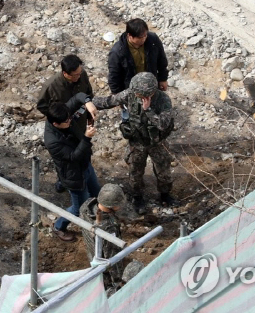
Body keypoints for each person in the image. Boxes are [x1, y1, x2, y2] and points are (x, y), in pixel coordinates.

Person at [93, 72, 176, 215]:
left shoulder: (163, 100)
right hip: (137, 142)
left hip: (157, 142)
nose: (135, 95)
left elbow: (163, 124)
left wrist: (148, 110)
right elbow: (109, 101)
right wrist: (85, 101)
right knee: (135, 173)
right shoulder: (131, 94)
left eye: (139, 94)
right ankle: (137, 198)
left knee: (164, 172)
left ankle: (165, 195)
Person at [44, 94, 100, 241]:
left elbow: (78, 97)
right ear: (56, 124)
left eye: (69, 118)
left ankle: (98, 218)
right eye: (66, 121)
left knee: (96, 194)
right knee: (78, 208)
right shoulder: (52, 141)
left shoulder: (61, 113)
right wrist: (87, 137)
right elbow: (74, 157)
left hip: (86, 166)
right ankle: (59, 226)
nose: (70, 121)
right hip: (73, 175)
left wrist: (88, 103)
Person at [37, 54, 95, 193]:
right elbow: (42, 106)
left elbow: (88, 94)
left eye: (80, 73)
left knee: (83, 146)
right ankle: (63, 179)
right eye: (75, 75)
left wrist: (88, 116)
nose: (78, 77)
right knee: (66, 157)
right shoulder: (51, 86)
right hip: (62, 127)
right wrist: (59, 117)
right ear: (65, 73)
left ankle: (85, 172)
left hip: (79, 122)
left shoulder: (82, 75)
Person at [80, 184, 125, 288]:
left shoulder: (86, 206)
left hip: (91, 252)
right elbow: (112, 255)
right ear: (112, 206)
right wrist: (118, 279)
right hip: (103, 262)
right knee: (107, 283)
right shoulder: (109, 227)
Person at [107, 18, 169, 94]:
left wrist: (163, 79)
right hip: (131, 90)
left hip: (151, 85)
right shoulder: (117, 52)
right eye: (140, 37)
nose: (144, 39)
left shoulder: (153, 40)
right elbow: (114, 77)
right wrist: (118, 97)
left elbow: (161, 60)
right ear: (130, 35)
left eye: (145, 35)